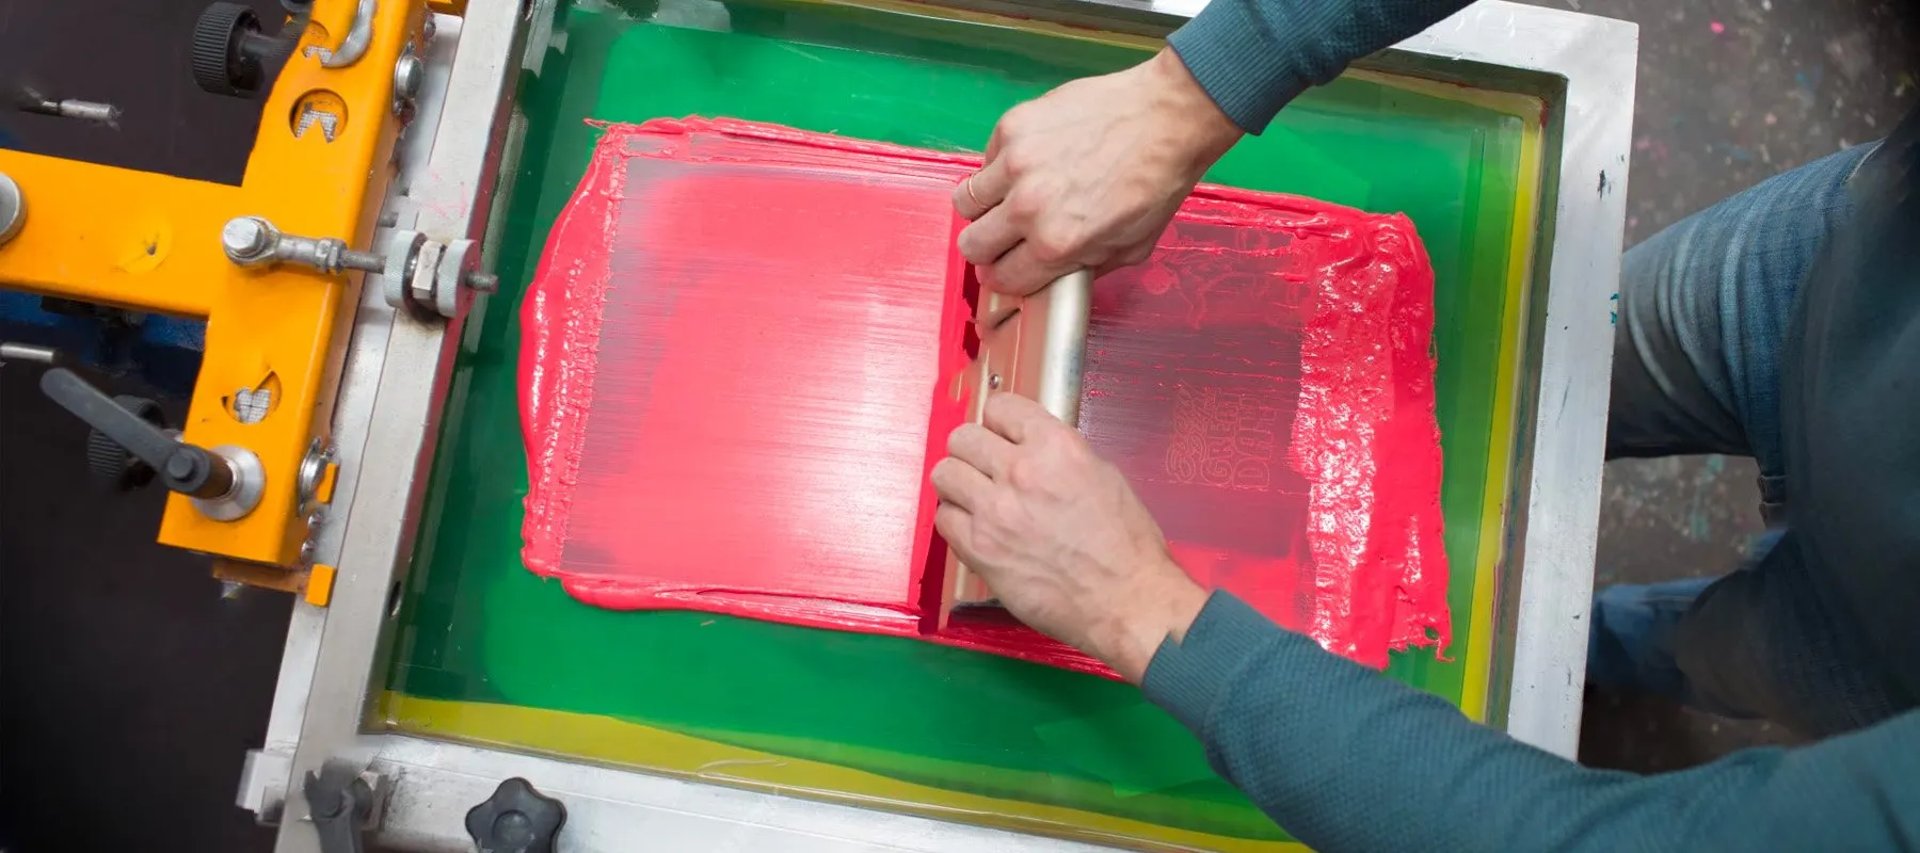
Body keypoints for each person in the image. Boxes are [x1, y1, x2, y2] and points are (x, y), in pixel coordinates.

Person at [929, 0, 1920, 848]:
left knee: (1722, 650)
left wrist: (1135, 610)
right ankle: (1604, 640)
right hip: (1838, 271)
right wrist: (1188, 92)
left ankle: (1605, 656)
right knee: (1575, 380)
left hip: (1877, 659)